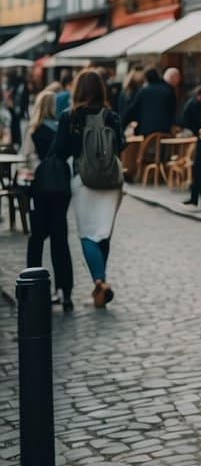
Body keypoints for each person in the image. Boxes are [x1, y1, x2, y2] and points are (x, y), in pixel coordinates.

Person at [52, 69, 126, 309]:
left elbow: (59, 151)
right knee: (103, 233)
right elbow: (120, 146)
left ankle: (99, 282)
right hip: (112, 182)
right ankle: (100, 291)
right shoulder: (111, 116)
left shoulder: (70, 116)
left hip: (83, 181)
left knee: (87, 235)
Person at [21, 89, 74, 310]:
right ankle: (65, 290)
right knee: (60, 238)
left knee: (37, 238)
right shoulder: (63, 129)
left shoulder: (34, 130)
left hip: (41, 188)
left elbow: (26, 157)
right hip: (61, 187)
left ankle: (33, 285)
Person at [121, 67, 176, 136]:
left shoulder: (143, 91)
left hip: (147, 131)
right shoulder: (168, 90)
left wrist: (123, 125)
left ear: (146, 78)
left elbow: (132, 110)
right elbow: (173, 111)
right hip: (165, 131)